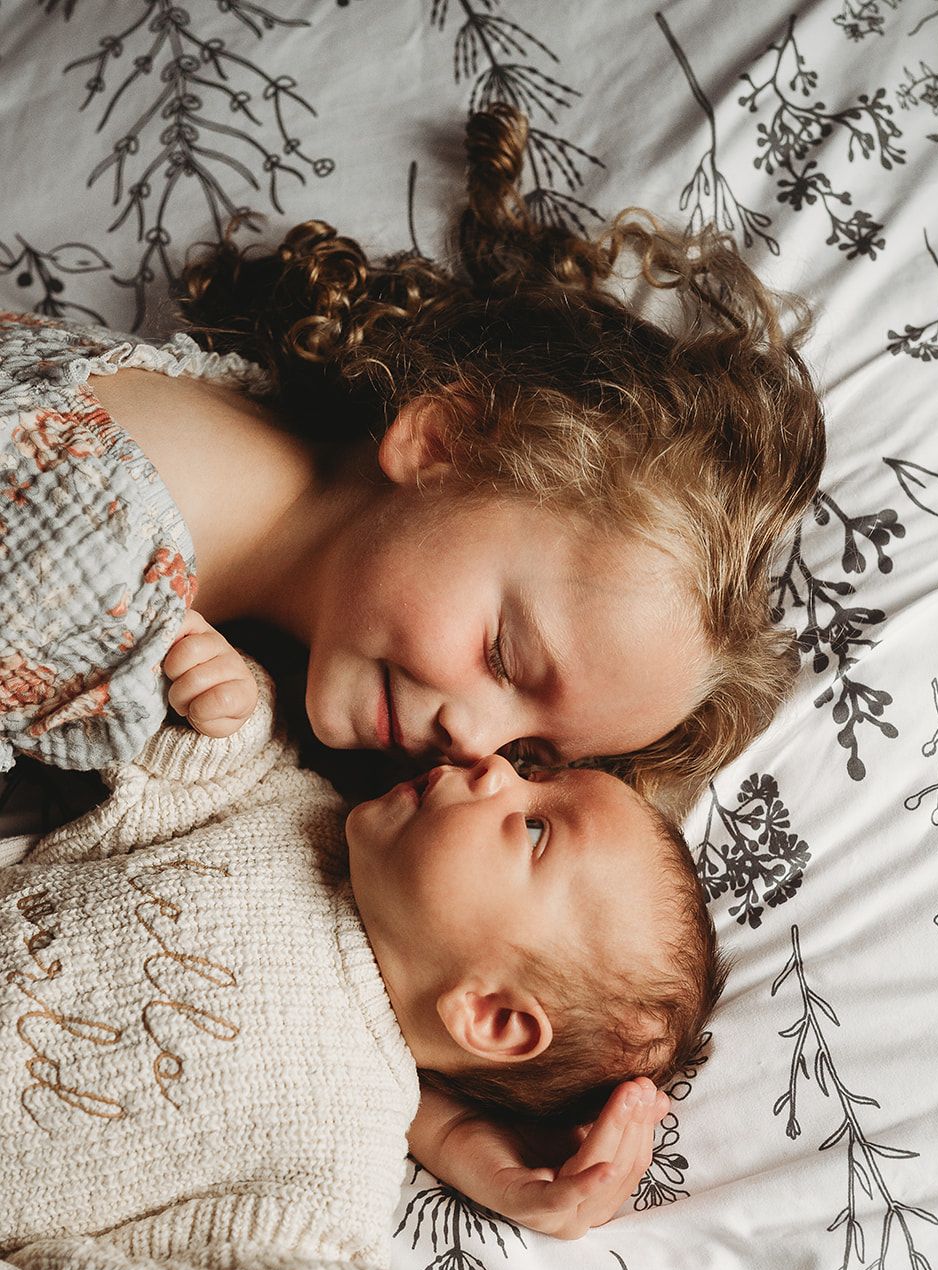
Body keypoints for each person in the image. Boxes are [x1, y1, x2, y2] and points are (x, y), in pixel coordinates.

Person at [0, 103, 824, 821]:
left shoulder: (221, 432)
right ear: (442, 443)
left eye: (530, 753)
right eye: (504, 657)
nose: (475, 745)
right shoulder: (91, 549)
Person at [0, 664, 723, 1270]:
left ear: (490, 1016)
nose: (497, 767)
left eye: (535, 826)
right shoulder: (294, 810)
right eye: (534, 771)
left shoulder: (347, 1135)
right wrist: (222, 693)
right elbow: (210, 750)